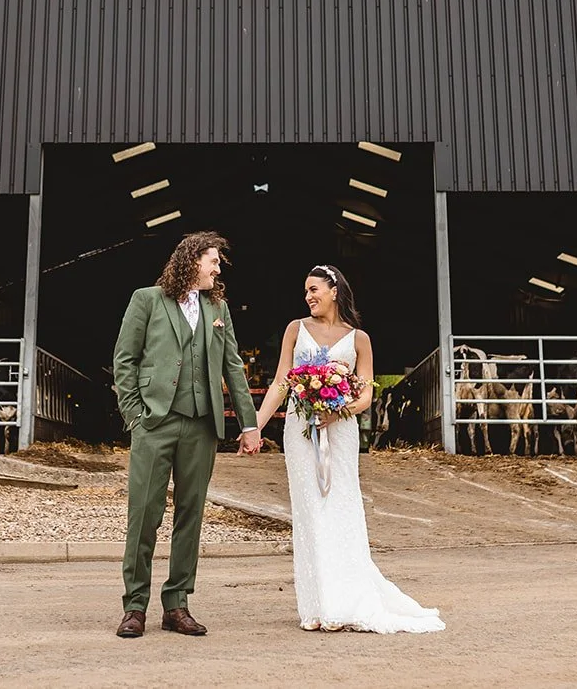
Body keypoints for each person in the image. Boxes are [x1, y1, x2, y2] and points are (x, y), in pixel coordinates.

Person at [252, 264, 445, 633]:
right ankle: (318, 606)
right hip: (301, 429)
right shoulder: (296, 330)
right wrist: (255, 428)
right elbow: (280, 383)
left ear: (334, 290)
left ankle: (346, 601)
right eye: (305, 292)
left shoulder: (359, 339)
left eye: (314, 289)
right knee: (309, 511)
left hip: (339, 432)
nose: (309, 297)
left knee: (340, 508)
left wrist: (339, 409)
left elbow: (368, 393)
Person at [111, 231, 261, 638]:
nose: (218, 267)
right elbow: (124, 360)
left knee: (190, 517)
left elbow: (233, 366)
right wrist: (135, 416)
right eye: (213, 260)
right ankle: (134, 606)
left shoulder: (218, 307)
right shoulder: (146, 299)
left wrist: (249, 425)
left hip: (201, 425)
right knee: (143, 514)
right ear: (192, 260)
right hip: (154, 423)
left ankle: (177, 604)